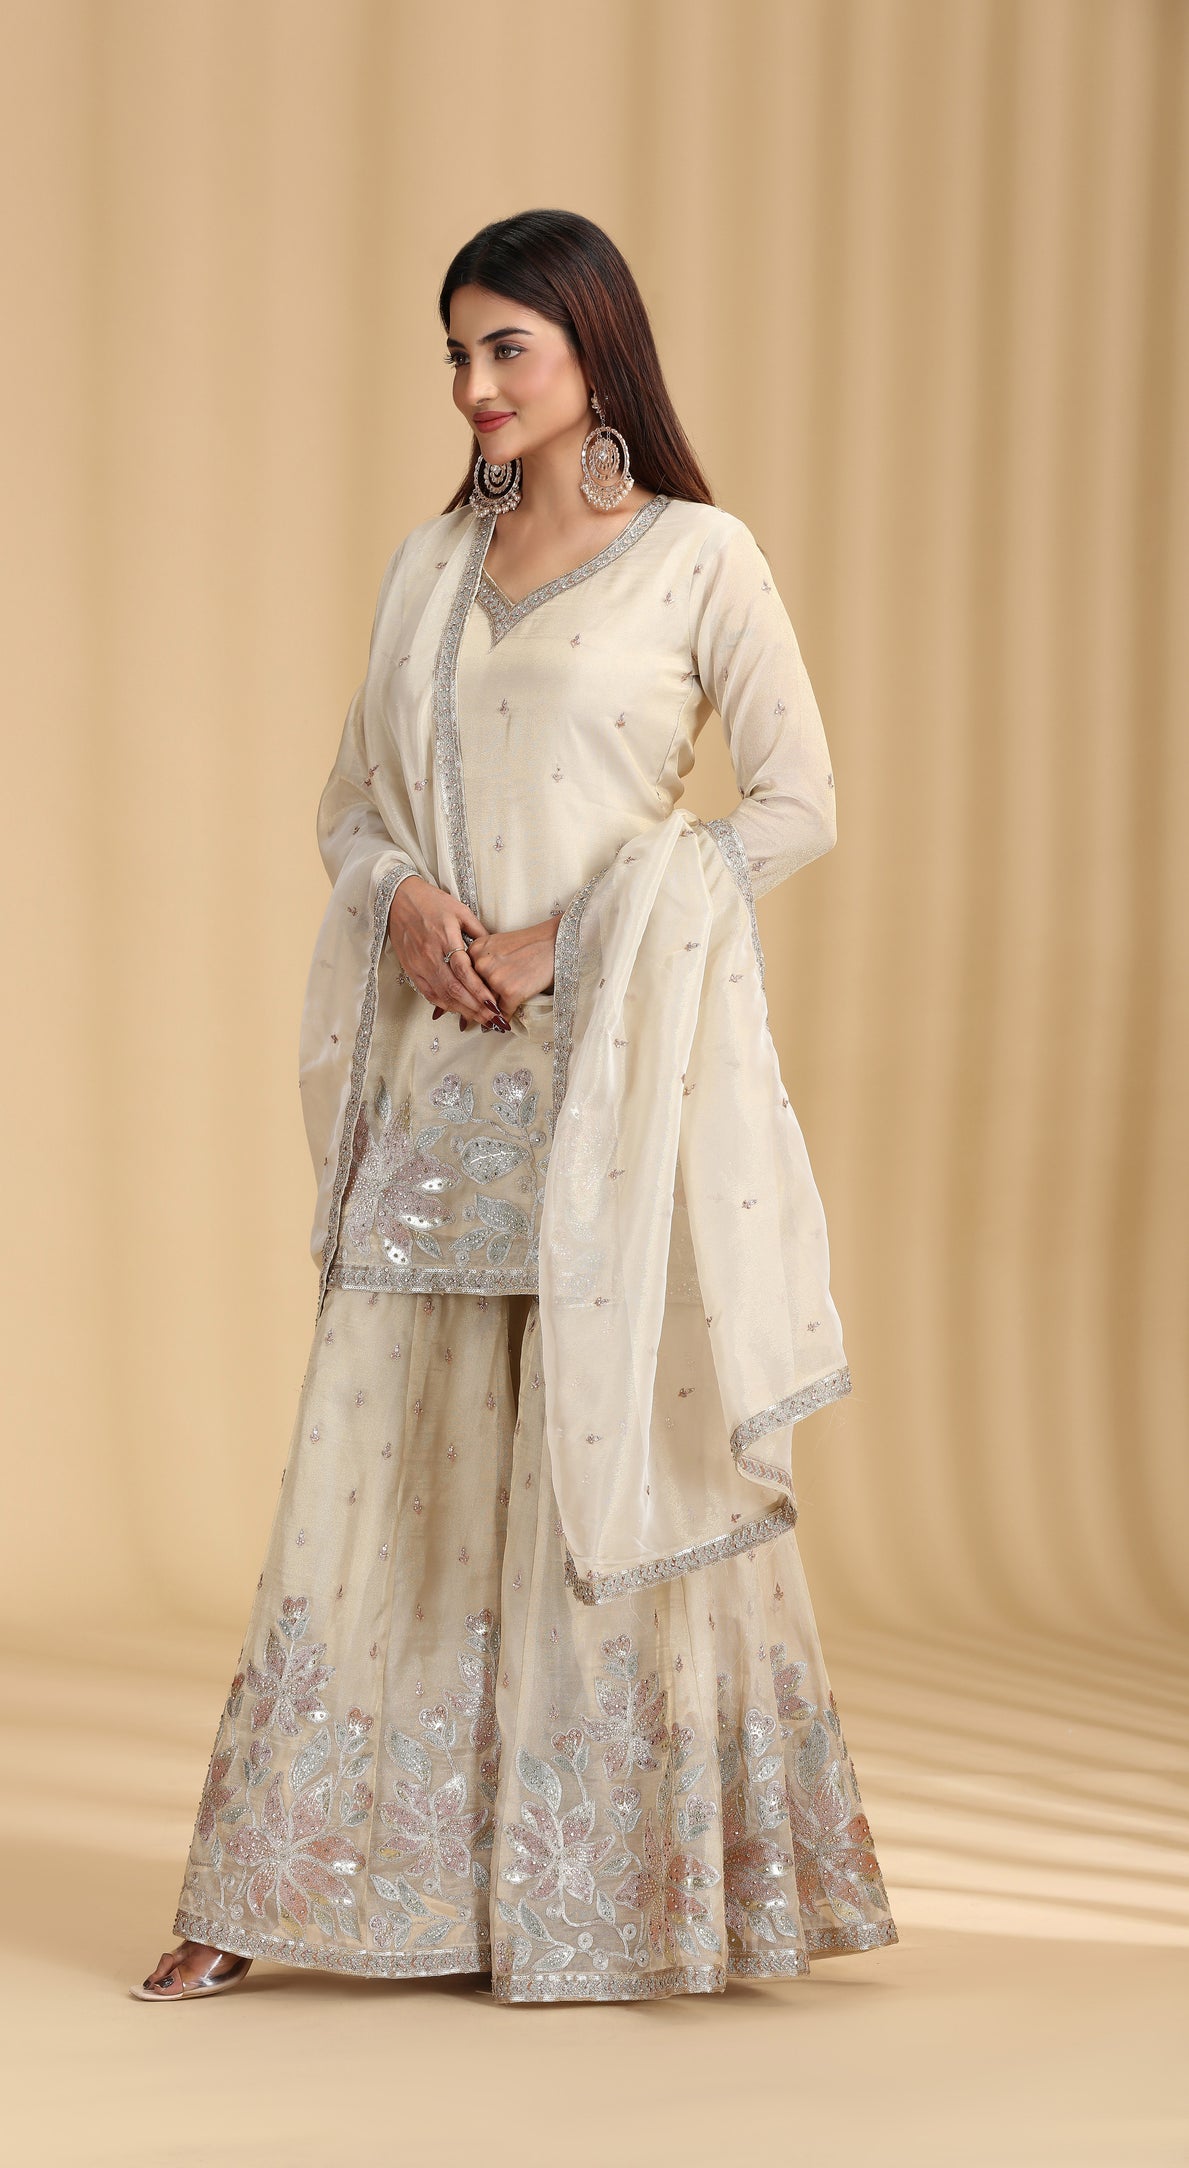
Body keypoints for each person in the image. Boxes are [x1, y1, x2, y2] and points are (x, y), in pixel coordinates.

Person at [135, 208, 898, 2007]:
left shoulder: (697, 557)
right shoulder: (430, 567)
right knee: (371, 1473)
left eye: (507, 352)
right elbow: (346, 803)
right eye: (458, 354)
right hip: (432, 1076)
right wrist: (398, 895)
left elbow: (795, 805)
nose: (475, 388)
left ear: (590, 355)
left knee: (599, 1457)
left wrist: (582, 936)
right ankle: (270, 1882)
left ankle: (609, 1892)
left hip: (607, 1088)